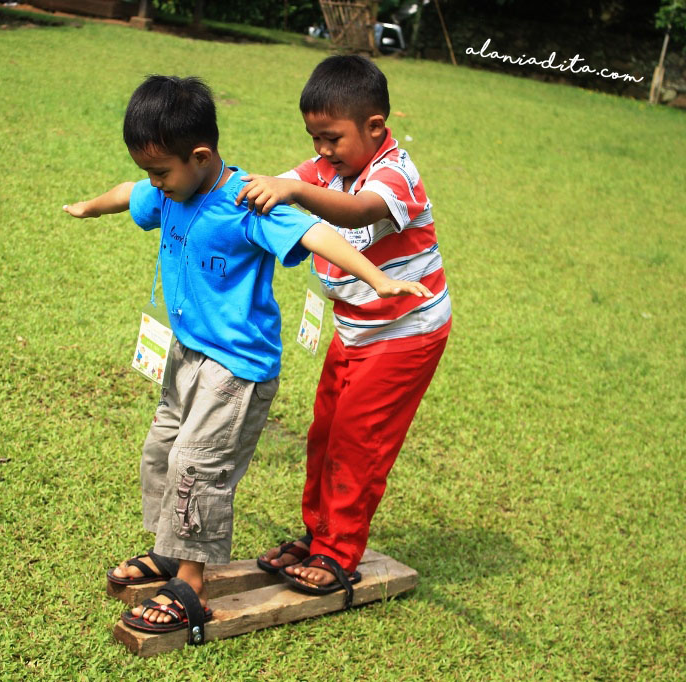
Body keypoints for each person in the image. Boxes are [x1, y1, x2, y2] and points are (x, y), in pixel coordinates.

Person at [63, 74, 432, 642]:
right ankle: (169, 551)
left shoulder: (245, 202)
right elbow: (126, 193)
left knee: (196, 465)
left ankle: (191, 584)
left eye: (160, 172)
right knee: (161, 450)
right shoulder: (169, 191)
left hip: (235, 367)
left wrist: (377, 278)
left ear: (200, 156)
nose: (154, 185)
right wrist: (90, 207)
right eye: (149, 173)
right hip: (187, 354)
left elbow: (316, 234)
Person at [236, 55, 452, 602]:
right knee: (326, 432)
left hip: (405, 333)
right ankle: (318, 535)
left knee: (359, 441)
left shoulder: (396, 174)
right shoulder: (326, 167)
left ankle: (339, 550)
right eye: (314, 138)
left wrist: (295, 193)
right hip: (354, 327)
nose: (321, 151)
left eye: (331, 138)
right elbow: (275, 183)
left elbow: (356, 212)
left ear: (375, 127)